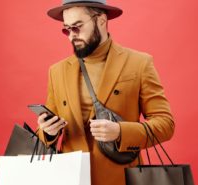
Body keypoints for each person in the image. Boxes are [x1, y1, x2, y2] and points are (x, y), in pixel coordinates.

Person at [37, 1, 175, 185]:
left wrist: (120, 132)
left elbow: (166, 124)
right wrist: (48, 132)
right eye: (66, 30)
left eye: (77, 27)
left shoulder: (139, 63)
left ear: (101, 20)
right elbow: (47, 130)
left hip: (120, 178)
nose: (71, 36)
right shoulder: (57, 71)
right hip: (71, 178)